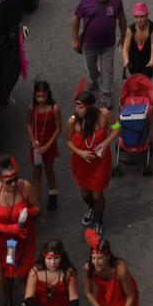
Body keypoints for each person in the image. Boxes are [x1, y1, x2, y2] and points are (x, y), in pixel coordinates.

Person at [0, 155, 41, 306]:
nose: (14, 184)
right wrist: (10, 229)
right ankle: (7, 302)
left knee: (23, 276)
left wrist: (28, 213)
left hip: (24, 240)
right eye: (9, 182)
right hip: (2, 242)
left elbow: (37, 208)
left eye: (16, 179)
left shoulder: (26, 187)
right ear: (0, 180)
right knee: (6, 276)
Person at [69, 0, 125, 110]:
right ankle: (94, 79)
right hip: (90, 44)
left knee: (108, 70)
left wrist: (123, 36)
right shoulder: (85, 1)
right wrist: (74, 39)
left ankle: (105, 94)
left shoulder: (116, 0)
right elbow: (76, 19)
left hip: (108, 44)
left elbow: (122, 18)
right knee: (91, 67)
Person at [65, 90, 117, 228]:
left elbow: (117, 127)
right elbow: (68, 142)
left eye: (81, 107)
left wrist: (106, 143)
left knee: (97, 196)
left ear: (90, 107)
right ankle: (92, 208)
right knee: (85, 194)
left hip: (100, 162)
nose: (77, 110)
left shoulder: (104, 115)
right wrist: (80, 152)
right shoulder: (73, 121)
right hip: (81, 163)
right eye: (76, 107)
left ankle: (98, 221)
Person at [25, 81, 61, 214]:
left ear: (48, 94)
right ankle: (36, 203)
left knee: (49, 170)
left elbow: (58, 129)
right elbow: (28, 124)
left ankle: (52, 193)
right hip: (36, 145)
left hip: (49, 144)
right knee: (36, 172)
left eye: (43, 96)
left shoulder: (54, 108)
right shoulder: (32, 107)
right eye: (38, 96)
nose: (40, 99)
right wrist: (32, 139)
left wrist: (47, 145)